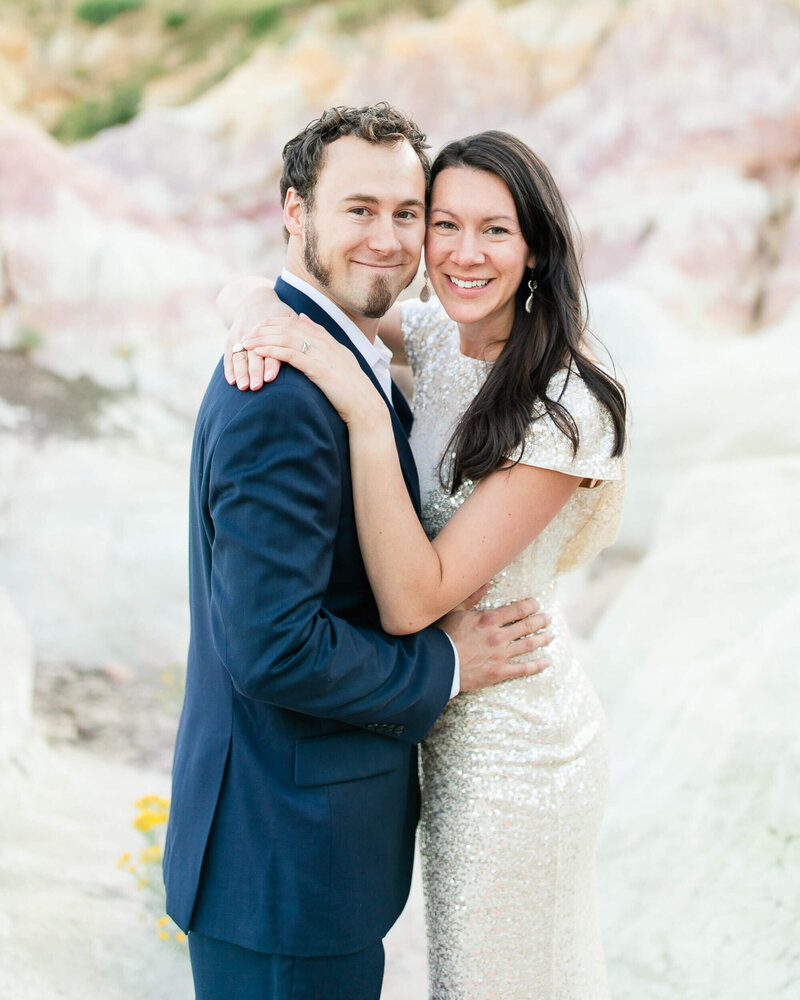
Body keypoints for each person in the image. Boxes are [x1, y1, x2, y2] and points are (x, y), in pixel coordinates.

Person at [225, 129, 627, 999]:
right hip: (443, 723)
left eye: (496, 230)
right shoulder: (443, 337)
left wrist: (369, 418)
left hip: (519, 742)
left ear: (536, 249)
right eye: (442, 224)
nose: (462, 254)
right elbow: (291, 282)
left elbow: (414, 602)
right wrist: (254, 307)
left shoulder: (564, 405)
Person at [163, 105, 554, 1000]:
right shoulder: (280, 397)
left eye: (407, 213)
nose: (388, 239)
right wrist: (446, 664)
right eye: (358, 210)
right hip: (281, 864)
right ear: (295, 214)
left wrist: (248, 295)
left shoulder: (356, 350)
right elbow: (274, 646)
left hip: (312, 855)